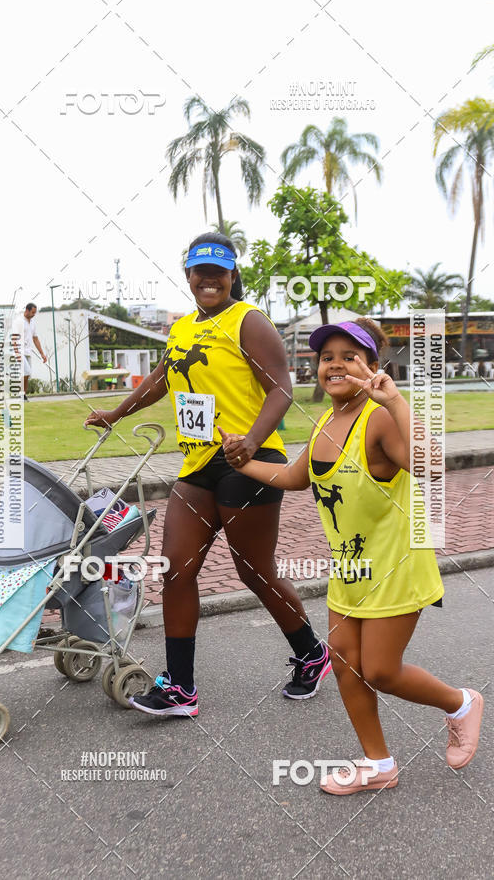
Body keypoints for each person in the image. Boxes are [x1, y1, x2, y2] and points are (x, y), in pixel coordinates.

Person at [220, 318, 483, 794]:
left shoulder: (378, 417)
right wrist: (243, 462)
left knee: (380, 670)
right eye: (327, 358)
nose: (335, 365)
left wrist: (395, 401)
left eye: (349, 357)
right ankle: (378, 764)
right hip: (349, 568)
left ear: (373, 367)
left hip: (396, 566)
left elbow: (431, 466)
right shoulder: (326, 420)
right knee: (344, 663)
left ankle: (461, 703)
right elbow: (296, 477)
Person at [85, 232, 331, 716]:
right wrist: (116, 414)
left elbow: (282, 388)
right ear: (189, 275)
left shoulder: (249, 321)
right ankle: (180, 688)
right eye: (201, 272)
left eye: (219, 272)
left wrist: (252, 441)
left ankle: (312, 653)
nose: (210, 280)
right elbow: (160, 379)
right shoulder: (181, 328)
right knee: (176, 568)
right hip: (198, 464)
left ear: (232, 276)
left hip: (250, 463)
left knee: (254, 570)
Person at [11, 303, 47, 400]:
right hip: (19, 351)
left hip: (28, 352)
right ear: (27, 310)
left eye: (35, 313)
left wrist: (42, 354)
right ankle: (20, 394)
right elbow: (14, 338)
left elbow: (35, 339)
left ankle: (23, 394)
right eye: (32, 312)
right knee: (26, 371)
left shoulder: (32, 323)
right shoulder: (18, 321)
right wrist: (17, 353)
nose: (34, 314)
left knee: (27, 374)